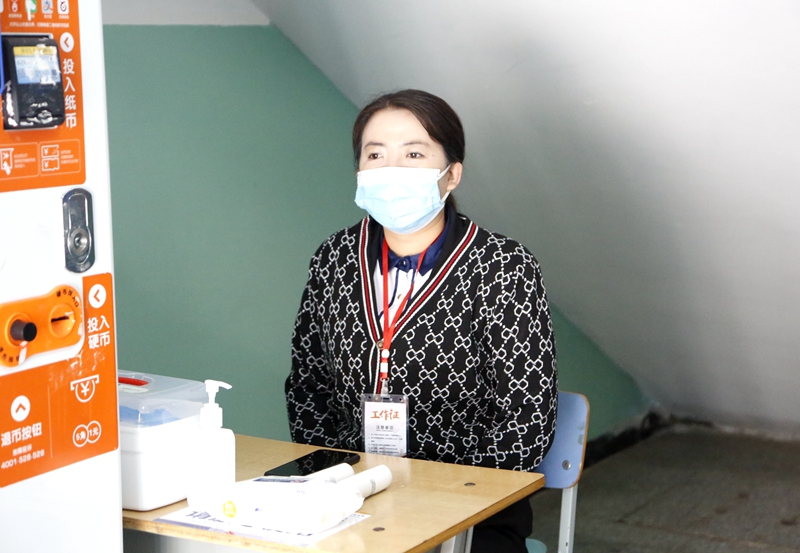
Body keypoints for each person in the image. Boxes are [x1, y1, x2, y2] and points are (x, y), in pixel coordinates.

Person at [286, 89, 557, 553]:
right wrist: (333, 481)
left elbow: (526, 418)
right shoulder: (334, 258)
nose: (391, 169)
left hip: (472, 505)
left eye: (414, 154)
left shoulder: (504, 266)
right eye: (376, 154)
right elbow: (308, 386)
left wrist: (439, 495)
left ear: (452, 173)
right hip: (352, 494)